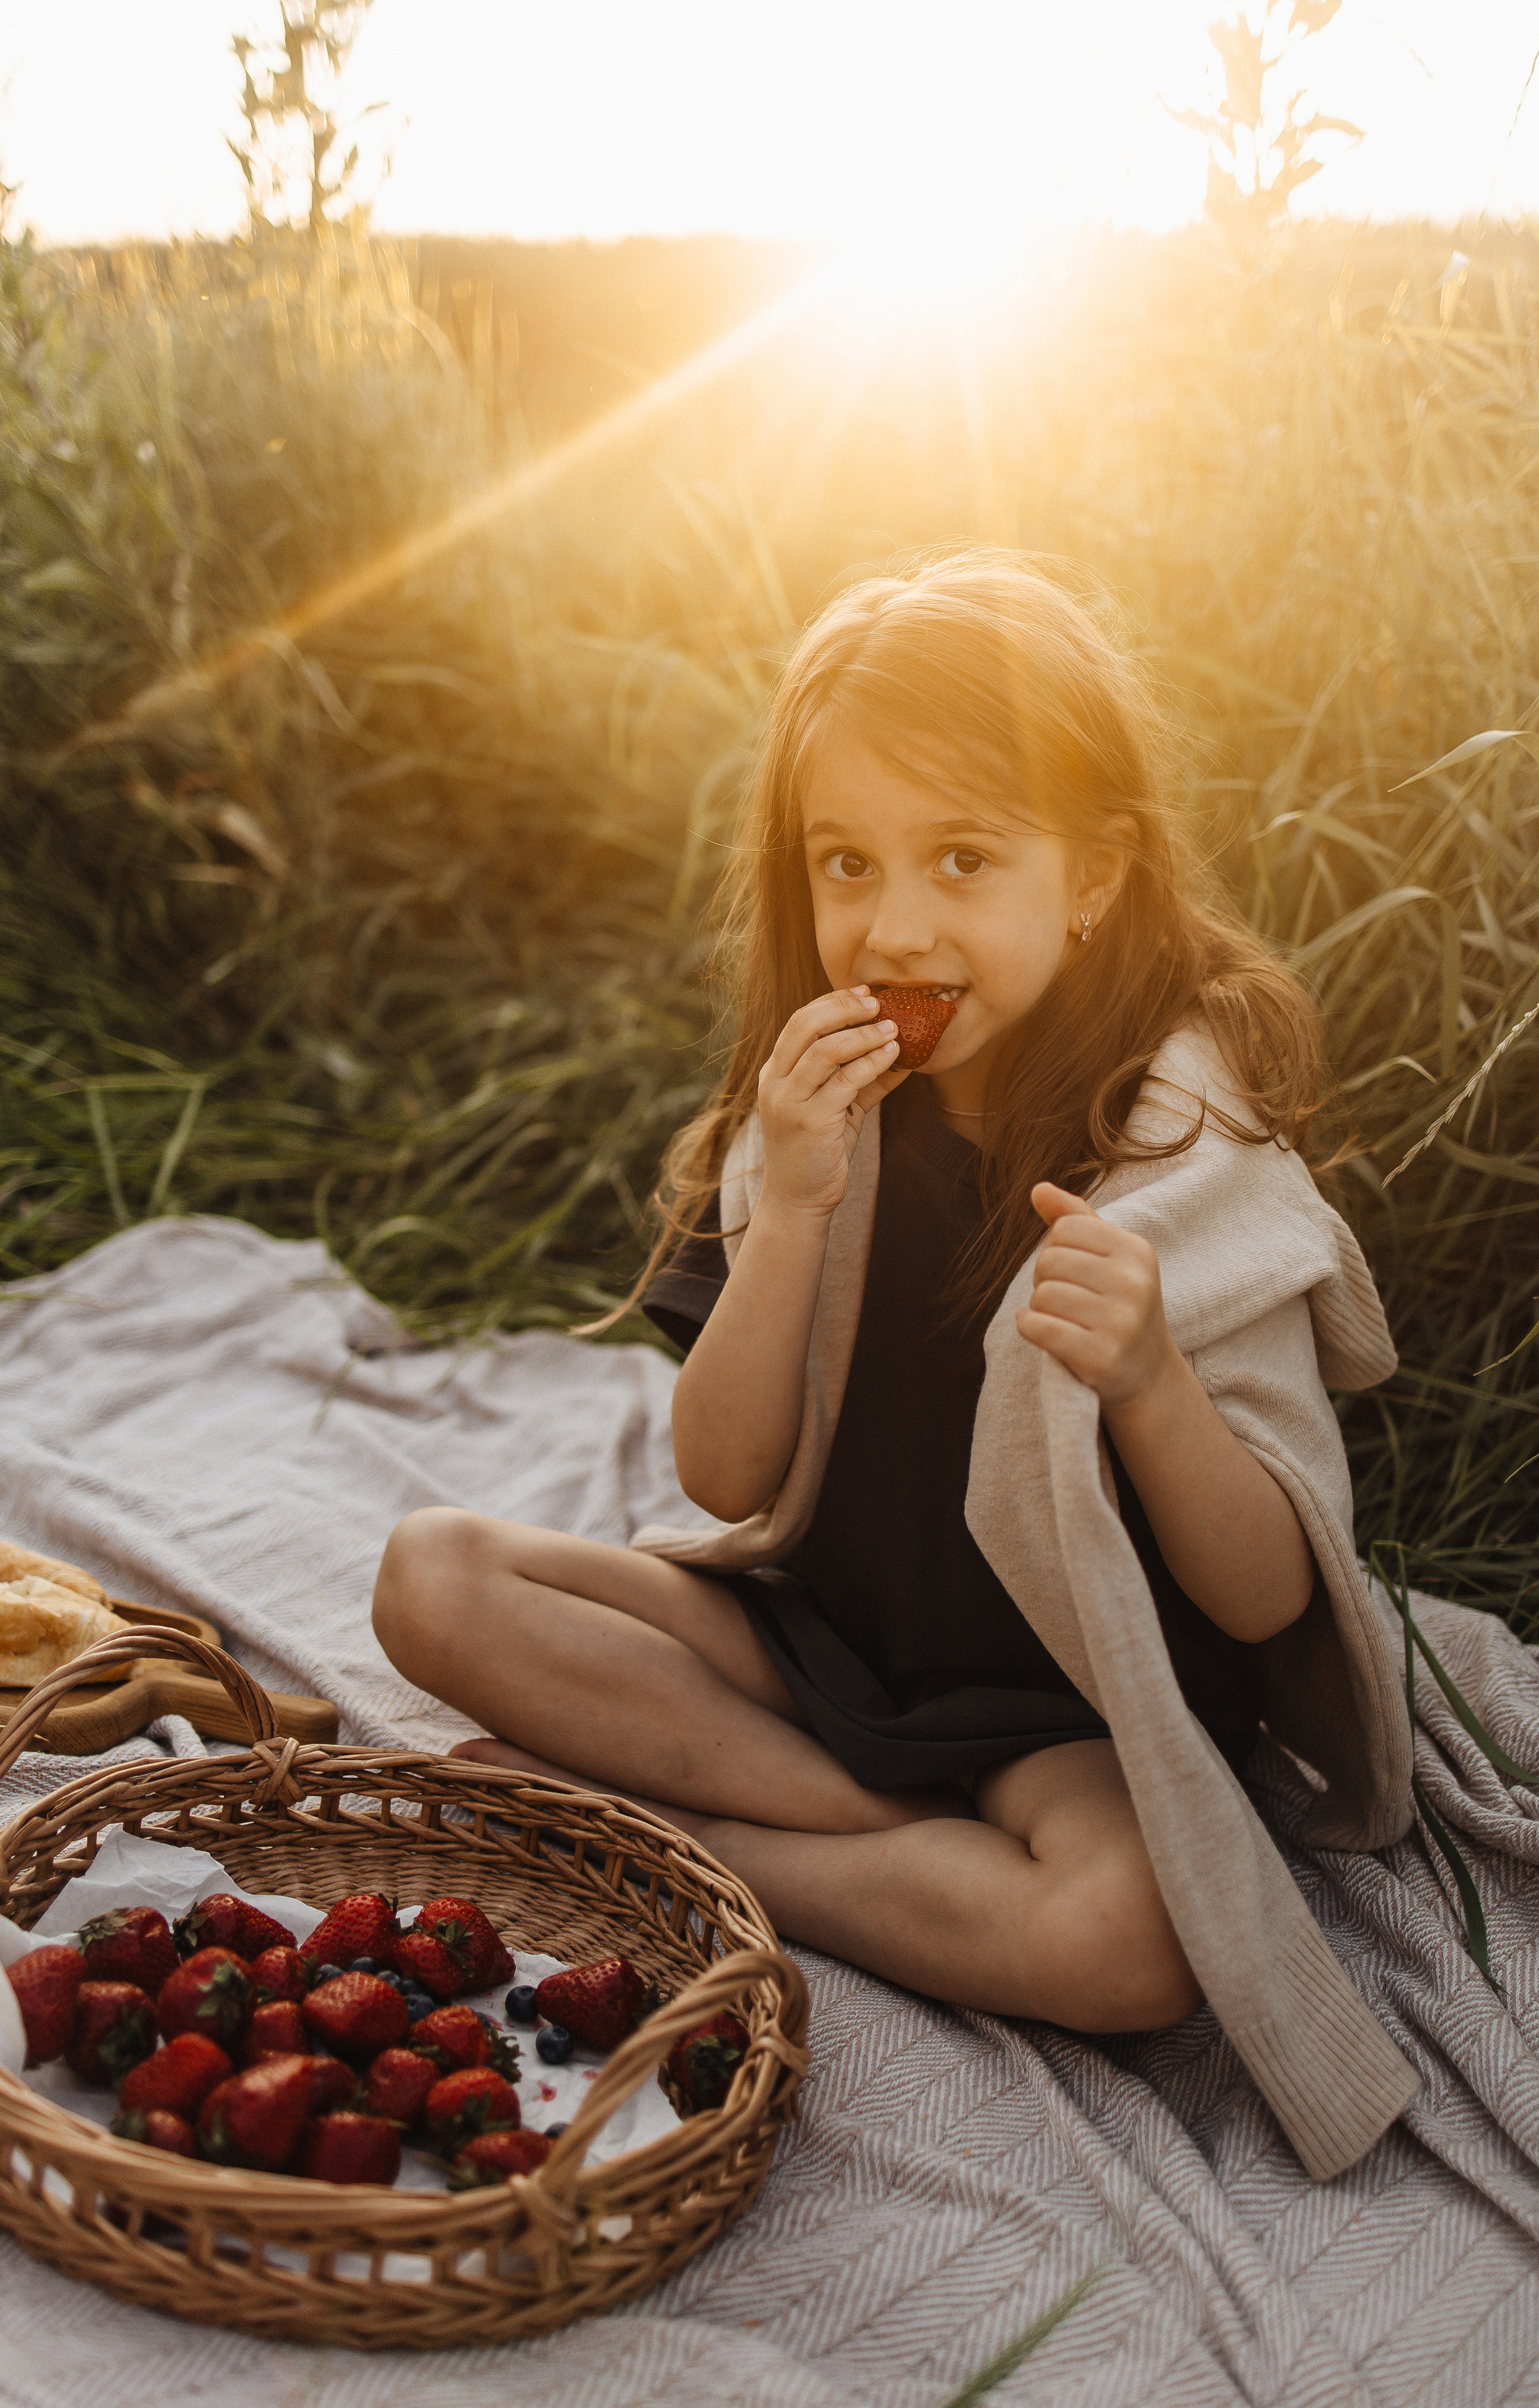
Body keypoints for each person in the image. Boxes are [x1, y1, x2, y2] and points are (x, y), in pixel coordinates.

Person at [371, 551, 1419, 2179]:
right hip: (814, 1639)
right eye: (846, 862)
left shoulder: (1185, 1155)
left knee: (1132, 1945)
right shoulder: (819, 1111)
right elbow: (721, 1477)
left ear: (1090, 877)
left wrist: (1149, 1380)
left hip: (1053, 1710)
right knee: (430, 1581)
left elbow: (1269, 1597)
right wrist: (790, 1206)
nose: (897, 924)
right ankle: (877, 1837)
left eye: (963, 859)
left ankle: (699, 1844)